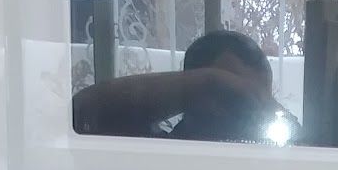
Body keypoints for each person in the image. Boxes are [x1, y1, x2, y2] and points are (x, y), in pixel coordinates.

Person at [71, 27, 295, 143]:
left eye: (253, 96)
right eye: (230, 93)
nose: (244, 103)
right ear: (191, 87)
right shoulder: (161, 151)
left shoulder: (274, 154)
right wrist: (212, 81)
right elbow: (86, 112)